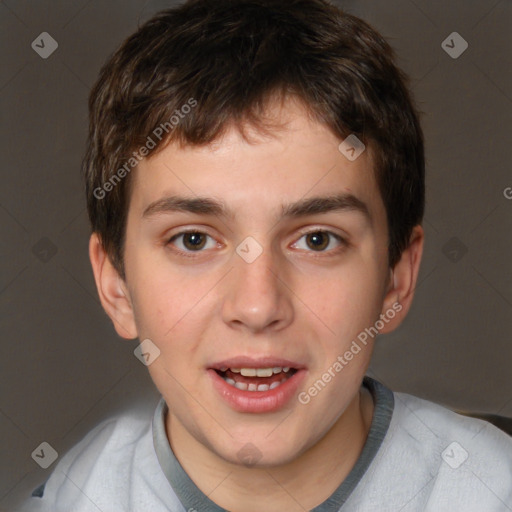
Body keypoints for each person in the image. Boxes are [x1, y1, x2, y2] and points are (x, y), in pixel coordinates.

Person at [23, 0, 512, 510]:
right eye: (193, 240)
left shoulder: (489, 489)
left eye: (318, 240)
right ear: (115, 285)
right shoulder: (75, 495)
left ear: (397, 279)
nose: (257, 307)